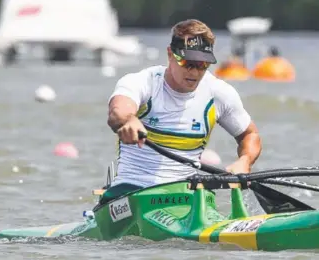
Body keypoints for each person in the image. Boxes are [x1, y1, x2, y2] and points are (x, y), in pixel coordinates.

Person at [103, 19, 262, 202]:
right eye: (188, 63)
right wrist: (128, 120)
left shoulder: (219, 93)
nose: (194, 72)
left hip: (185, 195)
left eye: (203, 64)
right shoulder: (142, 82)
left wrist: (245, 161)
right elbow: (118, 110)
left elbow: (250, 135)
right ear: (170, 54)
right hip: (131, 193)